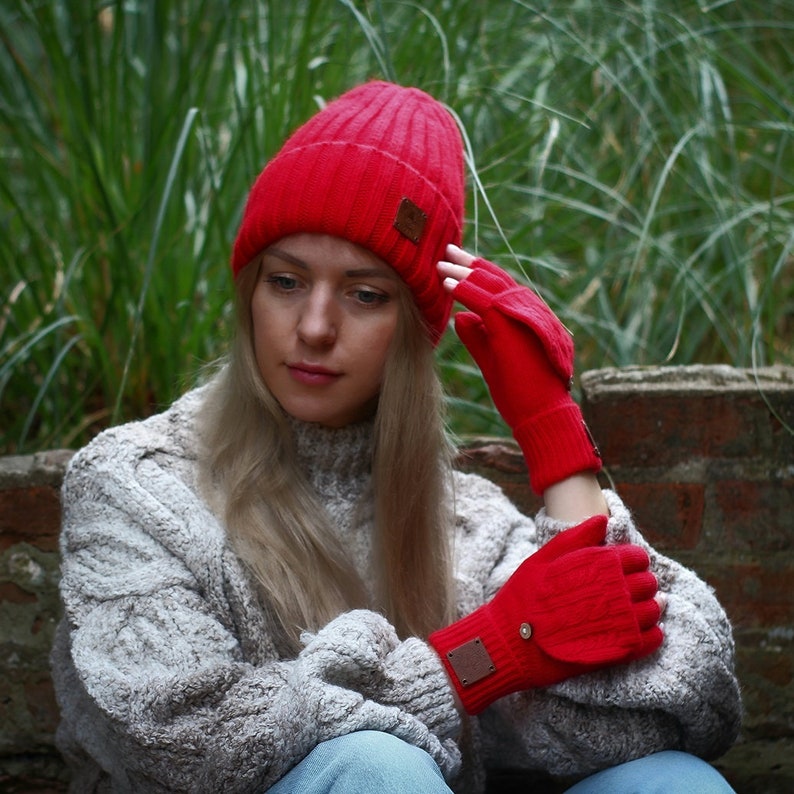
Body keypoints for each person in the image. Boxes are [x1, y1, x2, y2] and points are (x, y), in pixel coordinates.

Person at [51, 81, 741, 793]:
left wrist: (554, 436)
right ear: (249, 291)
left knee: (671, 781)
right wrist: (481, 656)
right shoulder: (135, 486)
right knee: (377, 768)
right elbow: (189, 740)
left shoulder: (465, 525)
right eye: (286, 282)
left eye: (365, 294)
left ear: (414, 329)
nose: (315, 326)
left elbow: (689, 697)